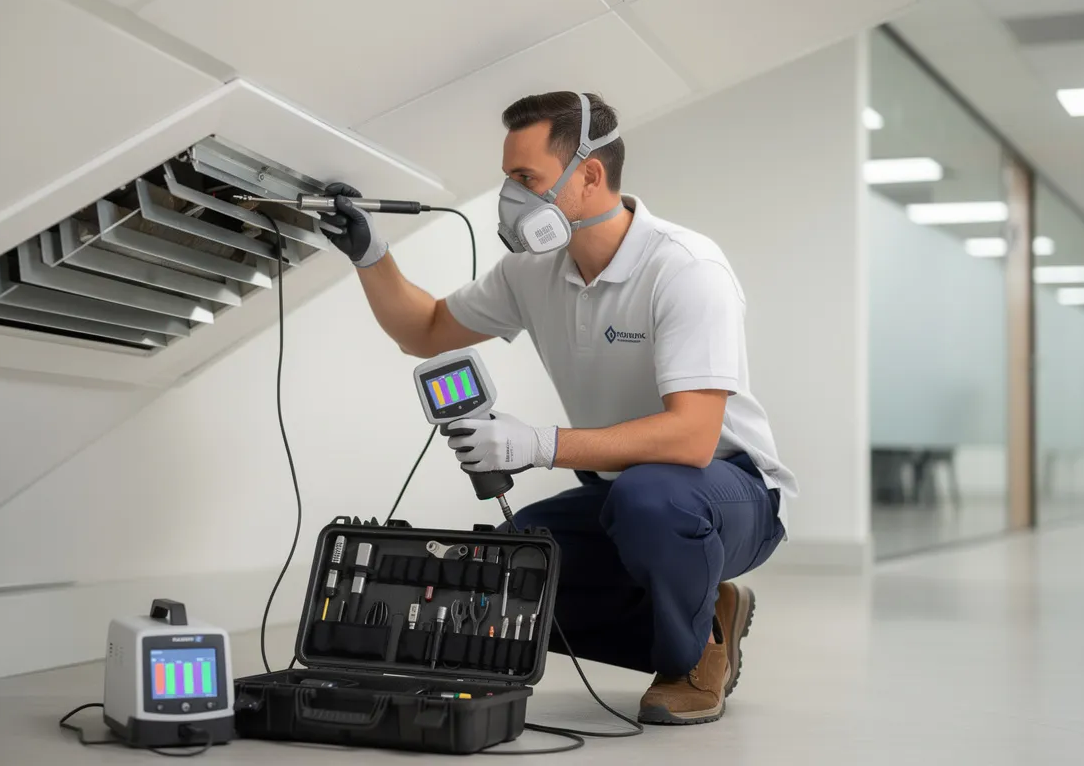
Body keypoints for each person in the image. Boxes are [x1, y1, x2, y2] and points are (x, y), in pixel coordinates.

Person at [318, 91, 796, 725]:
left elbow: (692, 439)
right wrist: (372, 257)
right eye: (508, 179)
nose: (511, 199)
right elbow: (426, 330)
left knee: (651, 499)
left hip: (730, 493)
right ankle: (707, 616)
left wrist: (538, 444)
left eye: (526, 179)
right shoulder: (531, 270)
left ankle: (689, 661)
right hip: (622, 494)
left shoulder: (685, 269)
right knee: (508, 571)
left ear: (589, 175)